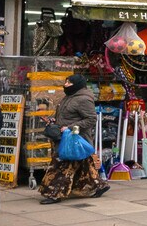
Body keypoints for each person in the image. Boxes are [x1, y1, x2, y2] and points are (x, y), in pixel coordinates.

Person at [38, 71, 107, 204]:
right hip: (67, 137)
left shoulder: (83, 99)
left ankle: (55, 193)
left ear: (77, 85)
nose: (66, 84)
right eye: (66, 81)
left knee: (61, 166)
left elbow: (91, 119)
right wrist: (53, 121)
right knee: (84, 165)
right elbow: (66, 116)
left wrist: (70, 127)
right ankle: (98, 186)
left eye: (69, 82)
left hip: (75, 139)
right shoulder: (68, 97)